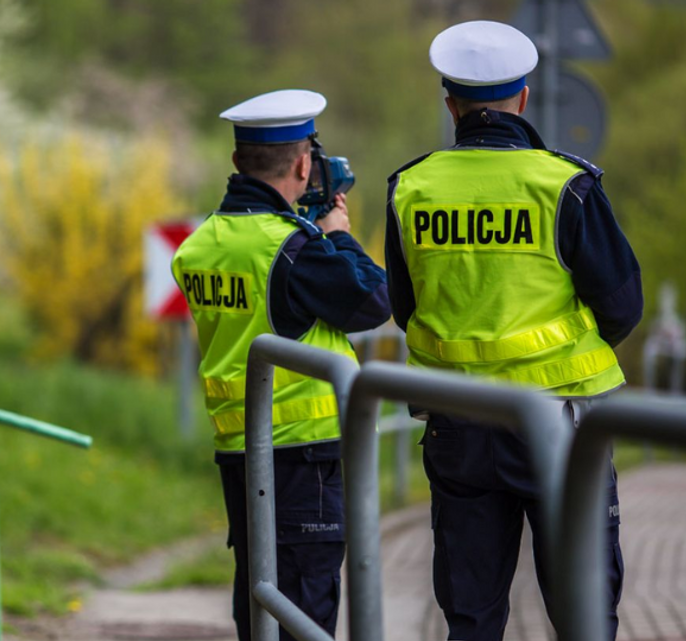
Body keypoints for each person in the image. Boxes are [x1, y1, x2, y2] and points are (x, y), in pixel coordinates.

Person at [384, 21, 643, 641]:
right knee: (582, 611)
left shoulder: (410, 187)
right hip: (558, 425)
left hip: (457, 426)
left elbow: (403, 305)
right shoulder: (565, 184)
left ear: (451, 106)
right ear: (524, 99)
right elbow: (622, 305)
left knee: (471, 617)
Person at [172, 89, 390, 640]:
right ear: (302, 164)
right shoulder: (293, 250)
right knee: (303, 612)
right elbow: (372, 300)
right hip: (304, 455)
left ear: (236, 162)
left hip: (240, 452)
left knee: (260, 599)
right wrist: (339, 236)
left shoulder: (199, 246)